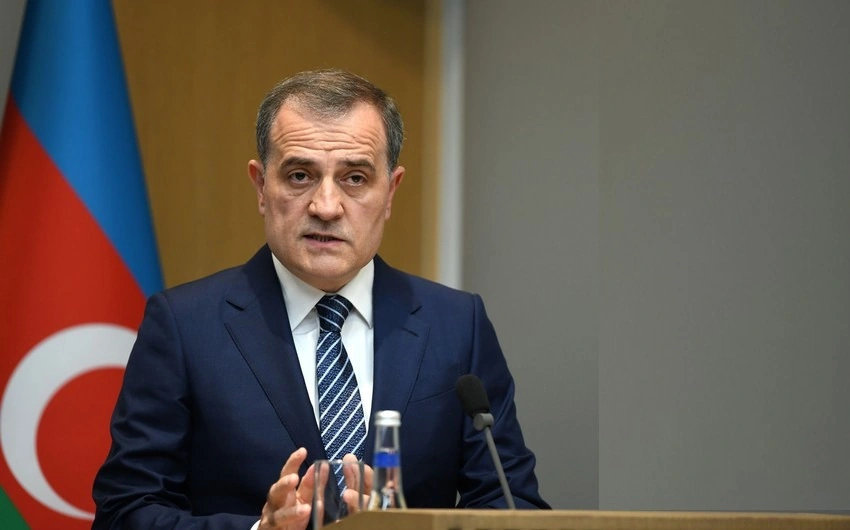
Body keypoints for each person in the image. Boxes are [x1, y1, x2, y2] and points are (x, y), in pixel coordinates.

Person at [92, 69, 548, 530]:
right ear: (261, 187)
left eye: (355, 177)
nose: (326, 206)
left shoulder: (458, 325)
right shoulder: (185, 326)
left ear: (391, 191)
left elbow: (513, 506)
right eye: (299, 175)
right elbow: (124, 512)